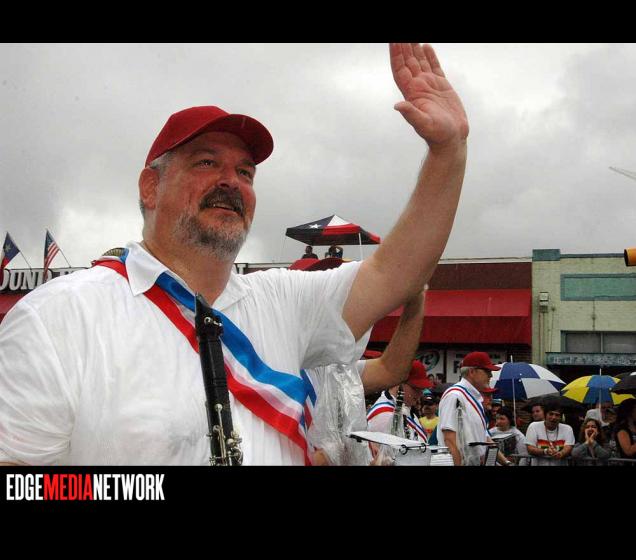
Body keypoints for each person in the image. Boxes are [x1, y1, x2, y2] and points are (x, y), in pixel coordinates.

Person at [0, 43, 469, 466]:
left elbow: (397, 272)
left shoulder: (284, 302)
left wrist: (448, 151)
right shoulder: (57, 318)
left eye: (245, 172)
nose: (231, 181)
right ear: (150, 187)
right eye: (206, 162)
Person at [308, 290, 427, 466]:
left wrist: (415, 303)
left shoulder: (337, 368)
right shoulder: (286, 369)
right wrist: (332, 455)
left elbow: (391, 370)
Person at [436, 352, 512, 466]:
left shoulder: (474, 399)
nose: (491, 375)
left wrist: (506, 463)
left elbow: (484, 438)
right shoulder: (455, 396)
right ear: (472, 372)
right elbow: (449, 439)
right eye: (487, 371)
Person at [366, 360, 432, 464]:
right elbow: (386, 458)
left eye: (421, 389)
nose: (420, 394)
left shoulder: (406, 409)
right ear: (398, 383)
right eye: (415, 388)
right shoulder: (384, 415)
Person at [525, 399, 575, 466]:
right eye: (551, 414)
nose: (553, 417)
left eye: (557, 415)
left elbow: (568, 447)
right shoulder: (533, 426)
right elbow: (530, 448)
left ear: (560, 417)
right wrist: (545, 451)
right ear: (545, 415)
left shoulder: (567, 429)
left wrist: (561, 453)